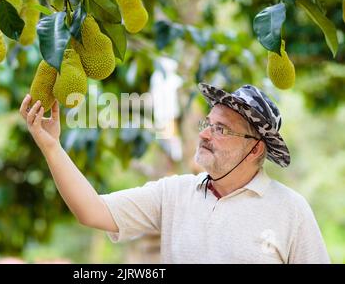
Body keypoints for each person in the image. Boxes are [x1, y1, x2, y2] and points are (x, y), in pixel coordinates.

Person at [19, 82, 330, 264]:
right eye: (207, 123)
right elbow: (92, 211)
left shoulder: (291, 210)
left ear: (255, 149)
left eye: (221, 129)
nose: (205, 134)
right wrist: (52, 147)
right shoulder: (175, 193)